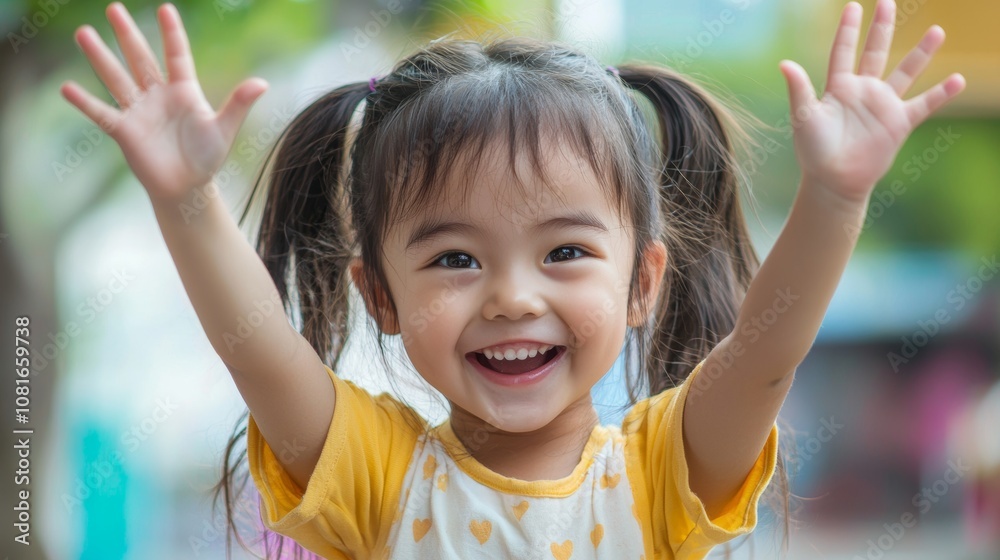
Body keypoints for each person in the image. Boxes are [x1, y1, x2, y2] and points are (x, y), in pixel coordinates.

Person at [61, 1, 965, 558]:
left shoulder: (663, 471)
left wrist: (837, 194)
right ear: (380, 295)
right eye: (455, 259)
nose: (513, 297)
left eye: (566, 251)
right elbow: (259, 354)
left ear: (642, 282)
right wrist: (185, 201)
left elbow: (768, 351)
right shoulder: (378, 474)